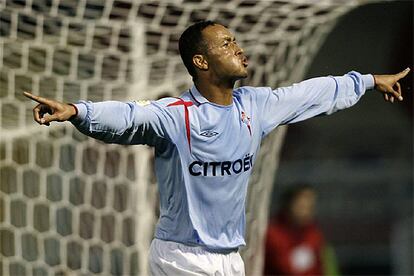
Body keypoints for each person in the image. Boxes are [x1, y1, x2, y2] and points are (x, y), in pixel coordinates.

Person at [24, 21, 410, 276]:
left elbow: (311, 93)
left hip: (231, 260)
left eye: (236, 41)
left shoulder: (255, 107)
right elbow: (128, 117)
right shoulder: (177, 116)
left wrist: (368, 80)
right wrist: (77, 111)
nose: (238, 49)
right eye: (226, 44)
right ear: (201, 61)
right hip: (182, 258)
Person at [264, 184, 338, 276]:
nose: (306, 211)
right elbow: (286, 268)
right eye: (302, 206)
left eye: (310, 206)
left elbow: (320, 268)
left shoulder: (314, 234)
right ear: (288, 205)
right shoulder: (272, 233)